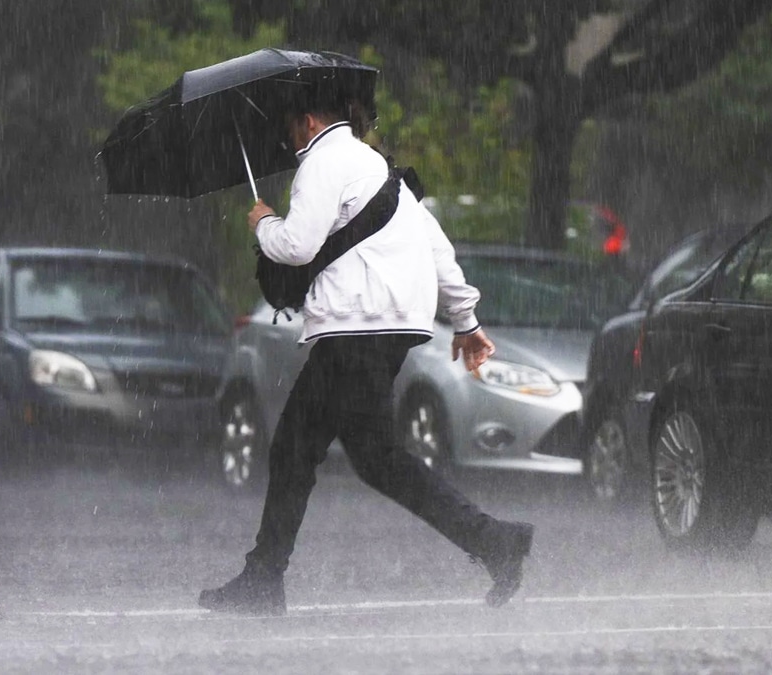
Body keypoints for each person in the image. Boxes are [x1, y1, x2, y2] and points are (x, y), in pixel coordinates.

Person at [198, 90, 534, 616]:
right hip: (392, 327)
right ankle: (494, 542)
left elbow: (297, 245)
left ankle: (264, 579)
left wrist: (263, 221)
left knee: (298, 449)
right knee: (371, 458)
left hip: (356, 328)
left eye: (290, 132)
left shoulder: (323, 161)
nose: (290, 143)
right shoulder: (377, 166)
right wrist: (466, 320)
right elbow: (436, 245)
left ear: (307, 122)